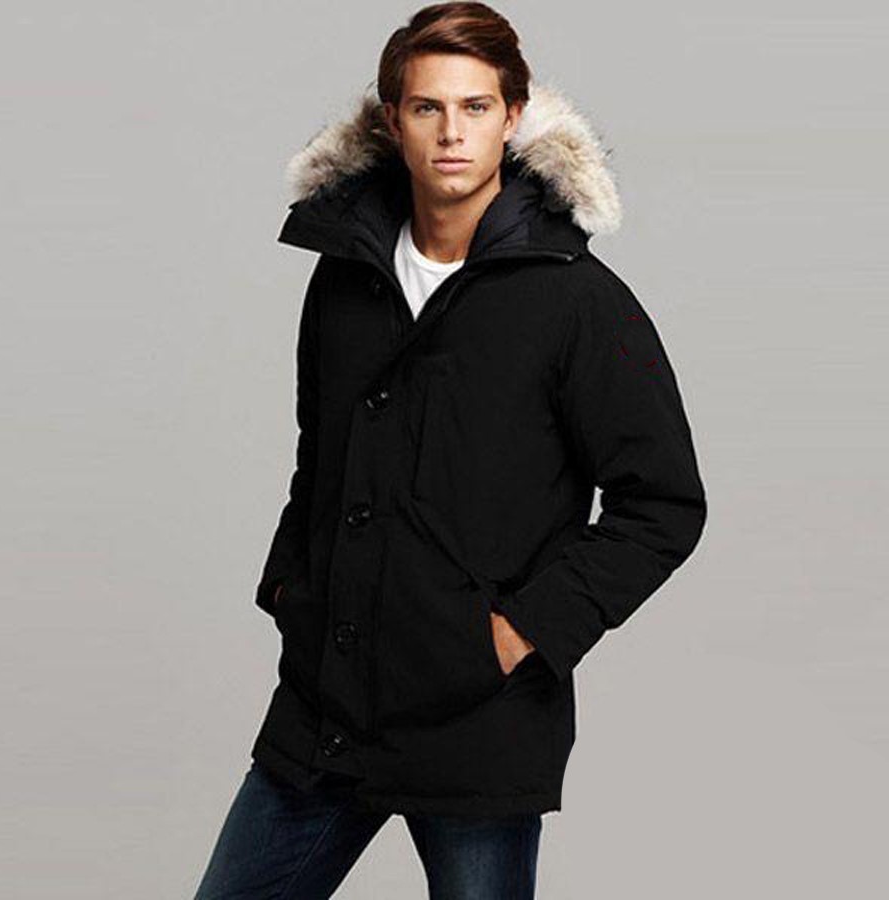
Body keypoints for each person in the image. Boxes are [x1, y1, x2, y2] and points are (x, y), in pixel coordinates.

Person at [193, 2, 707, 897]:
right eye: (428, 107)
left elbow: (663, 504)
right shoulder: (345, 275)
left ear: (514, 118)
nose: (451, 132)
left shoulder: (578, 301)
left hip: (479, 715)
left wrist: (515, 636)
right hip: (328, 704)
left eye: (475, 107)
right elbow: (322, 457)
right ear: (393, 121)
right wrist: (290, 587)